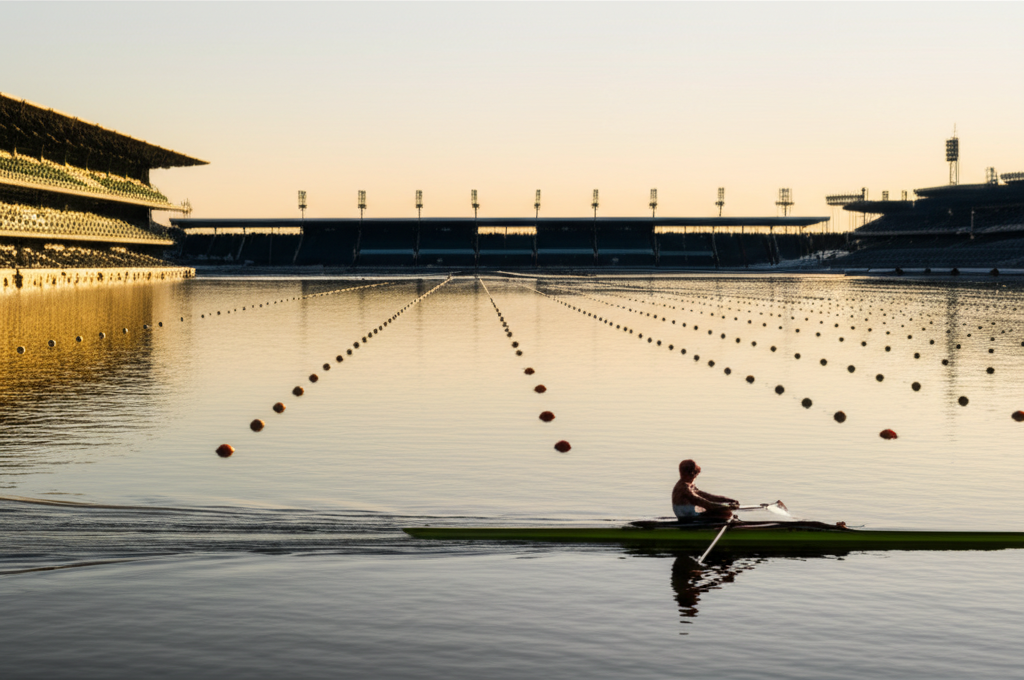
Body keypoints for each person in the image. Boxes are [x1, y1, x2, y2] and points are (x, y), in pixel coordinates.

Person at [672, 459, 739, 522]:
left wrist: (728, 500)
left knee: (724, 512)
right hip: (688, 519)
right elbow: (705, 503)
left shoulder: (688, 485)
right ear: (693, 473)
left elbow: (708, 497)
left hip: (690, 516)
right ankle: (714, 529)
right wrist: (727, 507)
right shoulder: (683, 488)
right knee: (726, 513)